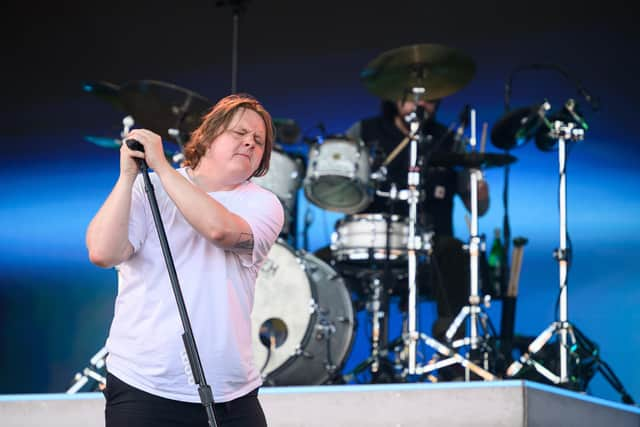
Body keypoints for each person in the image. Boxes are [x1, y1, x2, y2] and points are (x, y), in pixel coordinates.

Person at [86, 93, 284, 427]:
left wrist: (162, 167)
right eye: (240, 134)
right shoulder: (147, 189)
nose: (250, 143)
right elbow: (103, 253)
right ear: (207, 136)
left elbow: (219, 230)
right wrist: (127, 177)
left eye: (259, 141)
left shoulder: (263, 204)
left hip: (230, 392)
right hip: (143, 383)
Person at [343, 97, 490, 379]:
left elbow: (479, 207)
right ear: (395, 98)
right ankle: (327, 359)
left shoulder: (448, 139)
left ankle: (451, 353)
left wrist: (480, 194)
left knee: (454, 253)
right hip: (375, 240)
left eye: (431, 99)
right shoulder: (365, 132)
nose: (422, 104)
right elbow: (342, 189)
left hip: (430, 244)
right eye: (413, 96)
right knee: (321, 265)